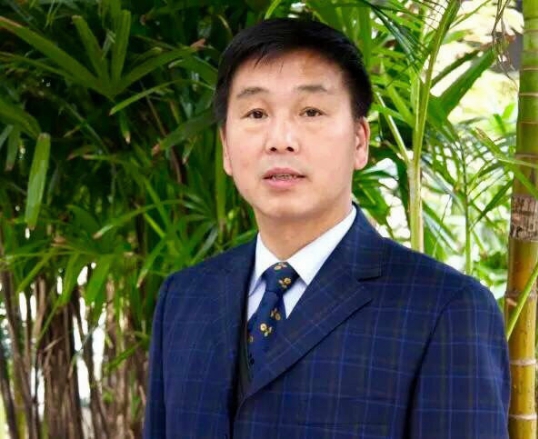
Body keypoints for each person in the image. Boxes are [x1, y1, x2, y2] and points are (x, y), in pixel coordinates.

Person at [143, 18, 510, 439]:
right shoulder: (183, 297)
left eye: (311, 112)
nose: (280, 139)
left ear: (359, 141)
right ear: (226, 147)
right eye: (256, 113)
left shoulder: (447, 309)